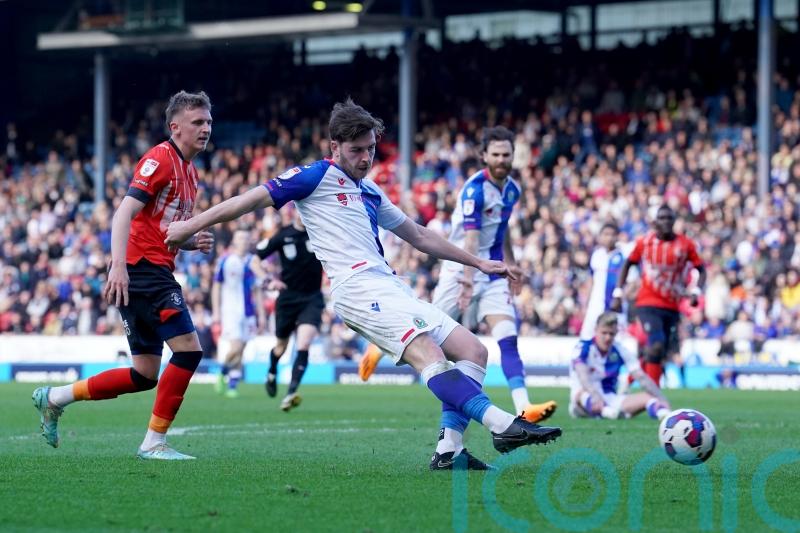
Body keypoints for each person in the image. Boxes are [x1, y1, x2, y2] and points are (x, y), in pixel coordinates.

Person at [165, 98, 562, 471]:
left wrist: (477, 261)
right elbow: (247, 201)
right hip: (356, 288)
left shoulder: (370, 190)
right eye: (356, 149)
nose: (366, 157)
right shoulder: (314, 176)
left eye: (370, 148)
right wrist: (189, 225)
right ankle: (503, 423)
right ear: (334, 146)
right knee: (428, 353)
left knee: (473, 350)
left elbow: (419, 235)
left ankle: (450, 450)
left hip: (389, 285)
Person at [32, 90, 214, 460]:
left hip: (152, 268)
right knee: (189, 351)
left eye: (209, 121)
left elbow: (160, 226)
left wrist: (190, 242)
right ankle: (154, 442)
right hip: (142, 272)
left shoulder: (190, 172)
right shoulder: (159, 160)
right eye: (198, 122)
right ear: (175, 127)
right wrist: (117, 266)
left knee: (144, 374)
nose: (206, 128)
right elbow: (122, 213)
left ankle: (54, 398)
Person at [610, 204, 706, 387]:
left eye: (669, 218)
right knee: (656, 344)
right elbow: (628, 264)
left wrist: (696, 291)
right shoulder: (644, 242)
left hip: (671, 305)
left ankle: (629, 380)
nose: (666, 222)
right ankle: (653, 394)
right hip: (648, 303)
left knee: (659, 352)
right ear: (655, 222)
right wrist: (618, 293)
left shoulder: (685, 244)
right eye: (662, 218)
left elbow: (701, 269)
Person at [256, 207, 324, 411]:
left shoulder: (320, 232)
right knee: (281, 348)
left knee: (303, 344)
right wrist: (269, 279)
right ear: (296, 212)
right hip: (287, 298)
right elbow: (254, 260)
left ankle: (291, 392)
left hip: (312, 297)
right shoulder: (282, 235)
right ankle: (272, 369)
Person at [570, 312, 671, 420]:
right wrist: (595, 396)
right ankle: (607, 412)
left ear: (616, 333)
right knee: (583, 395)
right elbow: (583, 376)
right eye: (604, 333)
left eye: (611, 334)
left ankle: (666, 415)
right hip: (585, 400)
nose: (608, 338)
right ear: (596, 330)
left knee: (650, 398)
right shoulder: (583, 348)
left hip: (611, 399)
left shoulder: (619, 350)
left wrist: (661, 398)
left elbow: (641, 377)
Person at [213, 229, 265, 398]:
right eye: (240, 238)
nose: (243, 241)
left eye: (246, 238)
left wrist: (262, 315)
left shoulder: (253, 262)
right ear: (234, 241)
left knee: (242, 349)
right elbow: (216, 286)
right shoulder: (225, 261)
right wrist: (216, 312)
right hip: (230, 311)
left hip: (248, 312)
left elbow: (257, 291)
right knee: (235, 346)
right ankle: (222, 372)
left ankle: (232, 386)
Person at [578, 223, 630, 340]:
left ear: (617, 237)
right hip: (595, 305)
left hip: (616, 306)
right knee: (587, 337)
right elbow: (591, 279)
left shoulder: (623, 256)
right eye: (606, 234)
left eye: (612, 235)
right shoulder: (596, 255)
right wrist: (585, 303)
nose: (609, 238)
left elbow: (632, 282)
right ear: (600, 236)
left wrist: (621, 297)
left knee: (617, 339)